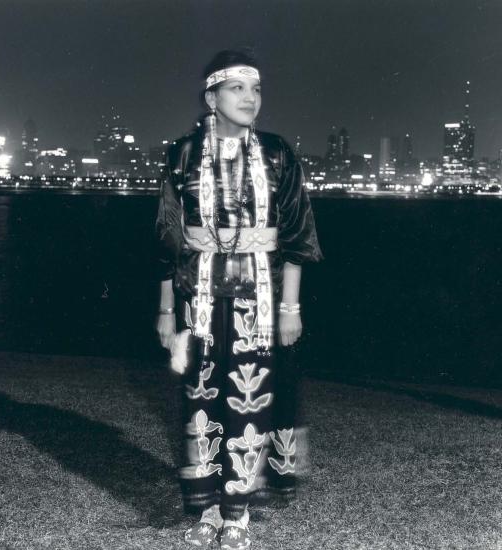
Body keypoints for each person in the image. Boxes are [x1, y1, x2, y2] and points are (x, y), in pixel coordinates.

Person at [155, 49, 323, 550]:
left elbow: (296, 235)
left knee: (251, 398)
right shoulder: (182, 154)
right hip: (197, 294)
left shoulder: (277, 153)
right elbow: (167, 239)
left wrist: (291, 309)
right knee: (200, 395)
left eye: (256, 89)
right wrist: (166, 311)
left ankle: (238, 510)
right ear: (212, 97)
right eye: (237, 89)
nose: (251, 98)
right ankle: (206, 506)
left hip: (262, 294)